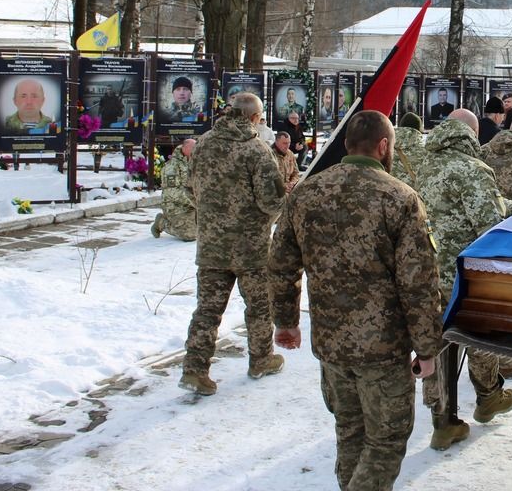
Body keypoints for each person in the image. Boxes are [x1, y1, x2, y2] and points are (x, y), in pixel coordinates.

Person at [270, 110, 443, 491]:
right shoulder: (399, 198)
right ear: (383, 146)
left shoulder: (307, 193)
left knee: (350, 431)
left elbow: (280, 264)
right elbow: (418, 283)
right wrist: (428, 348)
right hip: (383, 348)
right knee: (387, 439)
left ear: (348, 144)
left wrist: (285, 321)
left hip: (331, 345)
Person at [417, 110, 512, 450]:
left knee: (437, 342)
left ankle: (442, 422)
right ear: (472, 134)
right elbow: (490, 227)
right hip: (465, 275)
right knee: (478, 333)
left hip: (427, 275)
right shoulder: (474, 170)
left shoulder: (424, 166)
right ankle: (489, 396)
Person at [179, 93, 286, 395]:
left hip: (211, 245)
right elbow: (271, 201)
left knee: (207, 310)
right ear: (254, 118)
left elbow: (190, 188)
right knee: (259, 306)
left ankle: (195, 369)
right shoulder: (257, 151)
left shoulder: (204, 145)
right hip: (251, 248)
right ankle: (261, 359)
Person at [152, 138, 198, 240]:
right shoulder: (172, 166)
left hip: (192, 205)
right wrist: (194, 202)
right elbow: (172, 192)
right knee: (189, 235)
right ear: (185, 148)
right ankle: (161, 223)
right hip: (175, 206)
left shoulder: (193, 161)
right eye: (193, 148)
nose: (196, 151)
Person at [391, 112, 427, 189]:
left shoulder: (386, 148)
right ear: (419, 129)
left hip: (390, 195)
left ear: (400, 126)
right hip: (415, 197)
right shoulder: (427, 151)